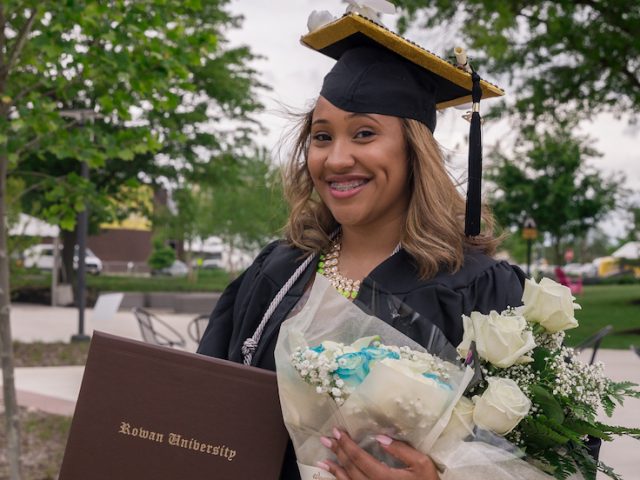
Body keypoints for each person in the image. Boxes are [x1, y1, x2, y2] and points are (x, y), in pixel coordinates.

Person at [198, 9, 525, 480]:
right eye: (322, 136)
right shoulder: (278, 271)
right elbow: (204, 406)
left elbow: (552, 458)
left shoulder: (479, 289)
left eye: (365, 133)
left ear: (415, 151)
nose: (337, 158)